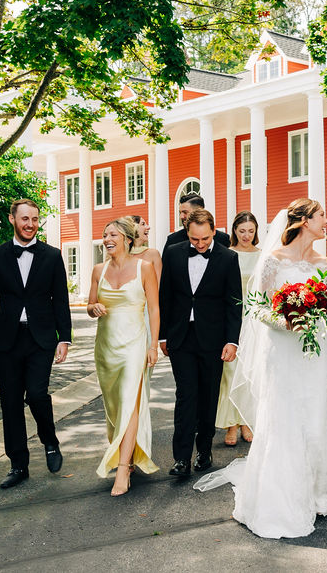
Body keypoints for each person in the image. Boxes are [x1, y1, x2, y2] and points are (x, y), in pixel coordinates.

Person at [195, 199, 327, 539]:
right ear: (304, 221)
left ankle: (318, 490)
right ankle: (283, 494)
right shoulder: (273, 260)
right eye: (321, 216)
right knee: (284, 418)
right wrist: (287, 322)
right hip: (281, 351)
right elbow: (258, 309)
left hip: (313, 354)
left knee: (315, 415)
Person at [0, 199, 71, 489]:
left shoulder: (52, 255)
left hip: (41, 339)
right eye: (25, 219)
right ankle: (18, 465)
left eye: (35, 219)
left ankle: (49, 440)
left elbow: (61, 299)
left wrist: (64, 337)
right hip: (8, 340)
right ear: (12, 219)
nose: (30, 224)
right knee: (10, 402)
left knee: (37, 394)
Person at [158, 208, 242, 478]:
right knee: (186, 395)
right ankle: (181, 458)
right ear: (187, 233)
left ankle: (204, 451)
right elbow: (165, 296)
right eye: (195, 239)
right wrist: (162, 335)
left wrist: (232, 341)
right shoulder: (173, 253)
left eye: (205, 238)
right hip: (181, 336)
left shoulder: (228, 257)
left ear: (214, 231)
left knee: (208, 396)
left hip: (213, 339)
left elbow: (234, 303)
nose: (200, 244)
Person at [86, 218, 160, 495]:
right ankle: (124, 453)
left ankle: (122, 468)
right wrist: (94, 308)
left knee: (130, 403)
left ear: (128, 239)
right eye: (105, 235)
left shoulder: (145, 267)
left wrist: (153, 346)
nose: (107, 239)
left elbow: (154, 309)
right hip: (106, 347)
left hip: (134, 345)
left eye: (113, 235)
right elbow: (90, 305)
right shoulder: (98, 270)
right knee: (115, 407)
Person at [217, 211, 260, 446]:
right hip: (231, 318)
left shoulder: (262, 256)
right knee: (230, 372)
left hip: (254, 319)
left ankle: (246, 421)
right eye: (242, 231)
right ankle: (231, 424)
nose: (246, 235)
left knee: (249, 370)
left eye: (251, 231)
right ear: (234, 230)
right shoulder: (226, 254)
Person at [162, 192, 230, 253]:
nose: (181, 216)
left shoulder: (222, 239)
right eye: (180, 213)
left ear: (199, 211)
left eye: (185, 212)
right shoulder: (173, 240)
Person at [128, 215, 163, 280]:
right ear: (133, 228)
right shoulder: (121, 255)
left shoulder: (153, 254)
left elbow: (159, 282)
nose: (148, 227)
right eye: (143, 224)